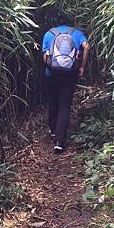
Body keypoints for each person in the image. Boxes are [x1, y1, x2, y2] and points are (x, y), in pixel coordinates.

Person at [42, 14, 89, 153]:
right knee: (65, 105)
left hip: (52, 74)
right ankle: (60, 141)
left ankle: (52, 130)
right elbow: (87, 47)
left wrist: (52, 66)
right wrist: (82, 67)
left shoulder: (49, 34)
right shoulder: (78, 33)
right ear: (71, 23)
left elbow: (45, 56)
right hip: (70, 75)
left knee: (53, 102)